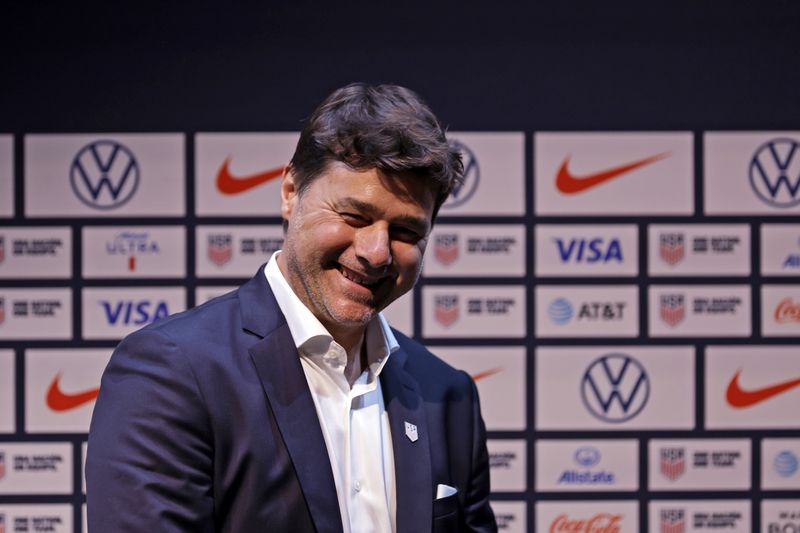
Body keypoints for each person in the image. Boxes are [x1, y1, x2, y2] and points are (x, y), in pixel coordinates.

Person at [86, 83, 496, 533]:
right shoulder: (173, 372)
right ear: (290, 191)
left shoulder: (448, 394)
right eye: (354, 216)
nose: (377, 252)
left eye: (405, 231)